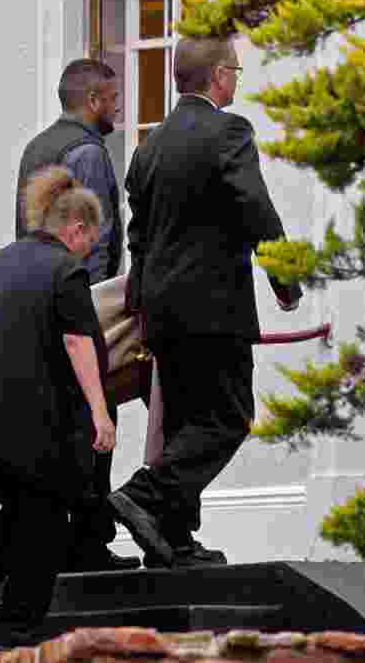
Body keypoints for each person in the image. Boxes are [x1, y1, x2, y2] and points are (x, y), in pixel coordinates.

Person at [109, 36, 303, 569]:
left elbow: (140, 236)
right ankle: (145, 495)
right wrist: (285, 280)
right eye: (235, 71)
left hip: (161, 312)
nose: (237, 80)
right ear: (219, 76)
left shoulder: (148, 148)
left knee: (184, 424)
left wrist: (140, 302)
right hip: (214, 306)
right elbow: (255, 208)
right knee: (228, 416)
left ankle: (172, 543)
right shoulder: (229, 131)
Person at [0, 166, 116, 646]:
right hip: (25, 423)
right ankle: (16, 628)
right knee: (45, 520)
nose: (89, 255)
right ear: (76, 230)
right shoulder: (65, 269)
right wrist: (100, 412)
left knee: (24, 515)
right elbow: (77, 342)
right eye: (90, 243)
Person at [15, 59, 138, 573]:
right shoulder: (88, 151)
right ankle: (88, 540)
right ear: (92, 101)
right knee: (95, 422)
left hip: (37, 302)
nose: (119, 106)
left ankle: (61, 540)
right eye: (113, 98)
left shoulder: (36, 147)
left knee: (58, 425)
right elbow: (95, 241)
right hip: (78, 307)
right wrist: (103, 311)